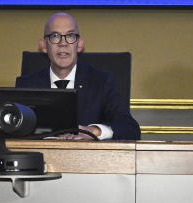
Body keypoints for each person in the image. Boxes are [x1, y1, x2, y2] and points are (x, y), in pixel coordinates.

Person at [15, 12, 140, 140]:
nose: (63, 43)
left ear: (79, 45)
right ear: (43, 46)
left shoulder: (102, 82)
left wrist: (93, 131)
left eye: (70, 36)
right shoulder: (26, 84)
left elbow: (129, 128)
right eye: (55, 36)